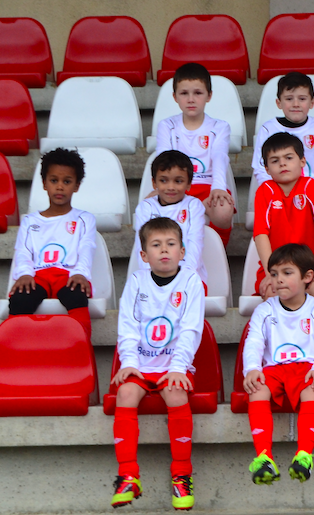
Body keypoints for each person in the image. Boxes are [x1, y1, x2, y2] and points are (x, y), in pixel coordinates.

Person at [109, 217, 205, 510]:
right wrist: (128, 361)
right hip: (140, 364)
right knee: (125, 393)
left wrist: (178, 367)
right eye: (156, 245)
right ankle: (128, 475)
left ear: (182, 251)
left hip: (174, 364)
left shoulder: (190, 281)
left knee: (175, 393)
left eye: (171, 244)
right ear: (143, 255)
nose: (164, 250)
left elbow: (191, 328)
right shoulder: (137, 281)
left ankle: (181, 474)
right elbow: (127, 325)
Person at [243, 244, 314, 486]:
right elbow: (253, 342)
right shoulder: (264, 310)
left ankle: (304, 455)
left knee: (312, 389)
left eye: (287, 273)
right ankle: (264, 457)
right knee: (258, 389)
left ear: (307, 277)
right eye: (274, 274)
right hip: (274, 369)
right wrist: (252, 368)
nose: (278, 280)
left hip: (308, 367)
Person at [252, 72, 314, 250]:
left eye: (302, 98)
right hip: (280, 192)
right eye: (289, 98)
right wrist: (272, 192)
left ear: (312, 102)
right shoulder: (268, 129)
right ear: (278, 103)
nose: (296, 104)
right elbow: (260, 166)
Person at [8, 148, 95, 337]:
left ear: (77, 185)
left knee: (76, 294)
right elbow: (23, 251)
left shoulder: (84, 218)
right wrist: (24, 274)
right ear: (44, 184)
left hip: (67, 274)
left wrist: (80, 273)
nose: (60, 187)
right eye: (54, 180)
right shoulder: (30, 221)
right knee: (21, 299)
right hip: (37, 276)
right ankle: (14, 346)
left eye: (67, 181)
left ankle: (81, 343)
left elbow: (86, 247)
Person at [153, 63, 235, 245]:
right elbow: (163, 159)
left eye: (198, 93)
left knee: (223, 210)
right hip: (177, 186)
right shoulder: (167, 126)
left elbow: (219, 156)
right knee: (147, 204)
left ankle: (217, 251)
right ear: (175, 97)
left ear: (209, 95)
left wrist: (218, 187)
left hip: (207, 186)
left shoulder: (219, 127)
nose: (191, 99)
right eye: (184, 93)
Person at [253, 133, 314, 306]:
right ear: (267, 169)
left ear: (302, 162)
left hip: (308, 268)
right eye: (275, 160)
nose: (282, 163)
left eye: (288, 158)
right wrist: (271, 274)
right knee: (271, 292)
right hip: (277, 268)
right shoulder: (264, 191)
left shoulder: (311, 187)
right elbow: (260, 235)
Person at [134, 150, 207, 283]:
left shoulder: (194, 206)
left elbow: (195, 242)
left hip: (189, 277)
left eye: (178, 181)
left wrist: (184, 276)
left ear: (189, 183)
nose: (171, 187)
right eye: (163, 180)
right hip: (154, 277)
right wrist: (152, 277)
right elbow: (142, 245)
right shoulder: (145, 208)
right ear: (154, 183)